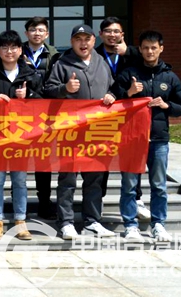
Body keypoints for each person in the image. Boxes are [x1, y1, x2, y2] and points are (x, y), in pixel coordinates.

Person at [43, 24, 117, 240]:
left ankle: (92, 221)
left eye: (87, 39)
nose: (83, 43)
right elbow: (48, 90)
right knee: (68, 178)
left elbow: (113, 86)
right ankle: (66, 222)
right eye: (78, 39)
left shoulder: (101, 62)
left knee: (95, 178)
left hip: (97, 131)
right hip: (71, 131)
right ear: (72, 42)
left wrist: (112, 94)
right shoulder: (62, 63)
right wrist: (65, 89)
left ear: (94, 40)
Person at [116, 30, 181, 243]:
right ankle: (130, 225)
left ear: (161, 49)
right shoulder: (129, 73)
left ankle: (159, 224)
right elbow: (113, 102)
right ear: (140, 49)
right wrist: (129, 93)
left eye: (154, 48)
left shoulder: (170, 77)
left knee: (159, 185)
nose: (149, 51)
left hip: (158, 139)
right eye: (145, 48)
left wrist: (166, 105)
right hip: (132, 138)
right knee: (129, 185)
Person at [0, 30, 43, 241]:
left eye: (14, 47)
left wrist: (29, 95)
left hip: (21, 136)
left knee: (20, 181)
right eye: (5, 47)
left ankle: (20, 221)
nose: (9, 51)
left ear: (20, 50)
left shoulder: (30, 75)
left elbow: (43, 102)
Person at [96, 16, 149, 220]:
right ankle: (97, 198)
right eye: (108, 31)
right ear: (101, 34)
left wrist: (128, 52)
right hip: (102, 114)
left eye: (116, 31)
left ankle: (136, 199)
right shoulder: (93, 54)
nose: (112, 35)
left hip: (130, 116)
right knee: (101, 158)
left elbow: (151, 60)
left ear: (122, 34)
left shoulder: (134, 54)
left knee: (131, 158)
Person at [22, 16, 58, 220]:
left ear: (47, 34)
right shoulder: (16, 51)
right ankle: (18, 202)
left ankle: (44, 201)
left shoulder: (54, 55)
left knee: (43, 159)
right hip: (20, 114)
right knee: (18, 158)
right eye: (33, 29)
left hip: (45, 114)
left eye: (41, 30)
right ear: (26, 33)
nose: (37, 33)